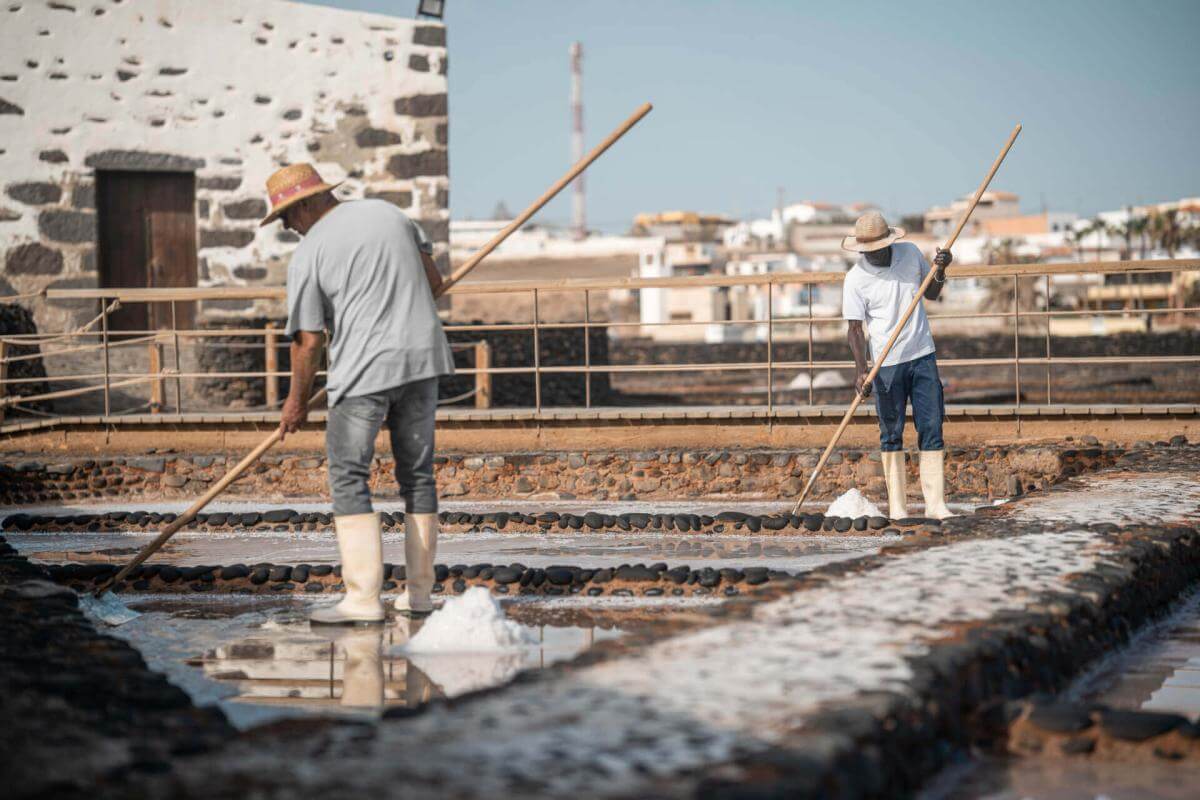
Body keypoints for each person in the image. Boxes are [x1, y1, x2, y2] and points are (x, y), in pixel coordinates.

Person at [261, 163, 454, 623]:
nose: (288, 227)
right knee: (418, 478)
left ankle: (363, 600)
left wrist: (294, 404)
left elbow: (308, 341)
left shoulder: (309, 254)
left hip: (363, 374)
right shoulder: (392, 216)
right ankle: (420, 596)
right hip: (423, 362)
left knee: (349, 476)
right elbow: (435, 285)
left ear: (305, 204)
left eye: (287, 217)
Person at [841, 211, 955, 520]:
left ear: (890, 241)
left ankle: (935, 506)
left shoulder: (910, 253)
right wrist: (860, 370)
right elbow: (854, 329)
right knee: (891, 433)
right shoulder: (855, 279)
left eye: (878, 247)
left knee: (931, 427)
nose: (874, 253)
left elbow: (931, 292)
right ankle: (899, 509)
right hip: (886, 365)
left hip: (922, 355)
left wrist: (940, 269)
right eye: (868, 249)